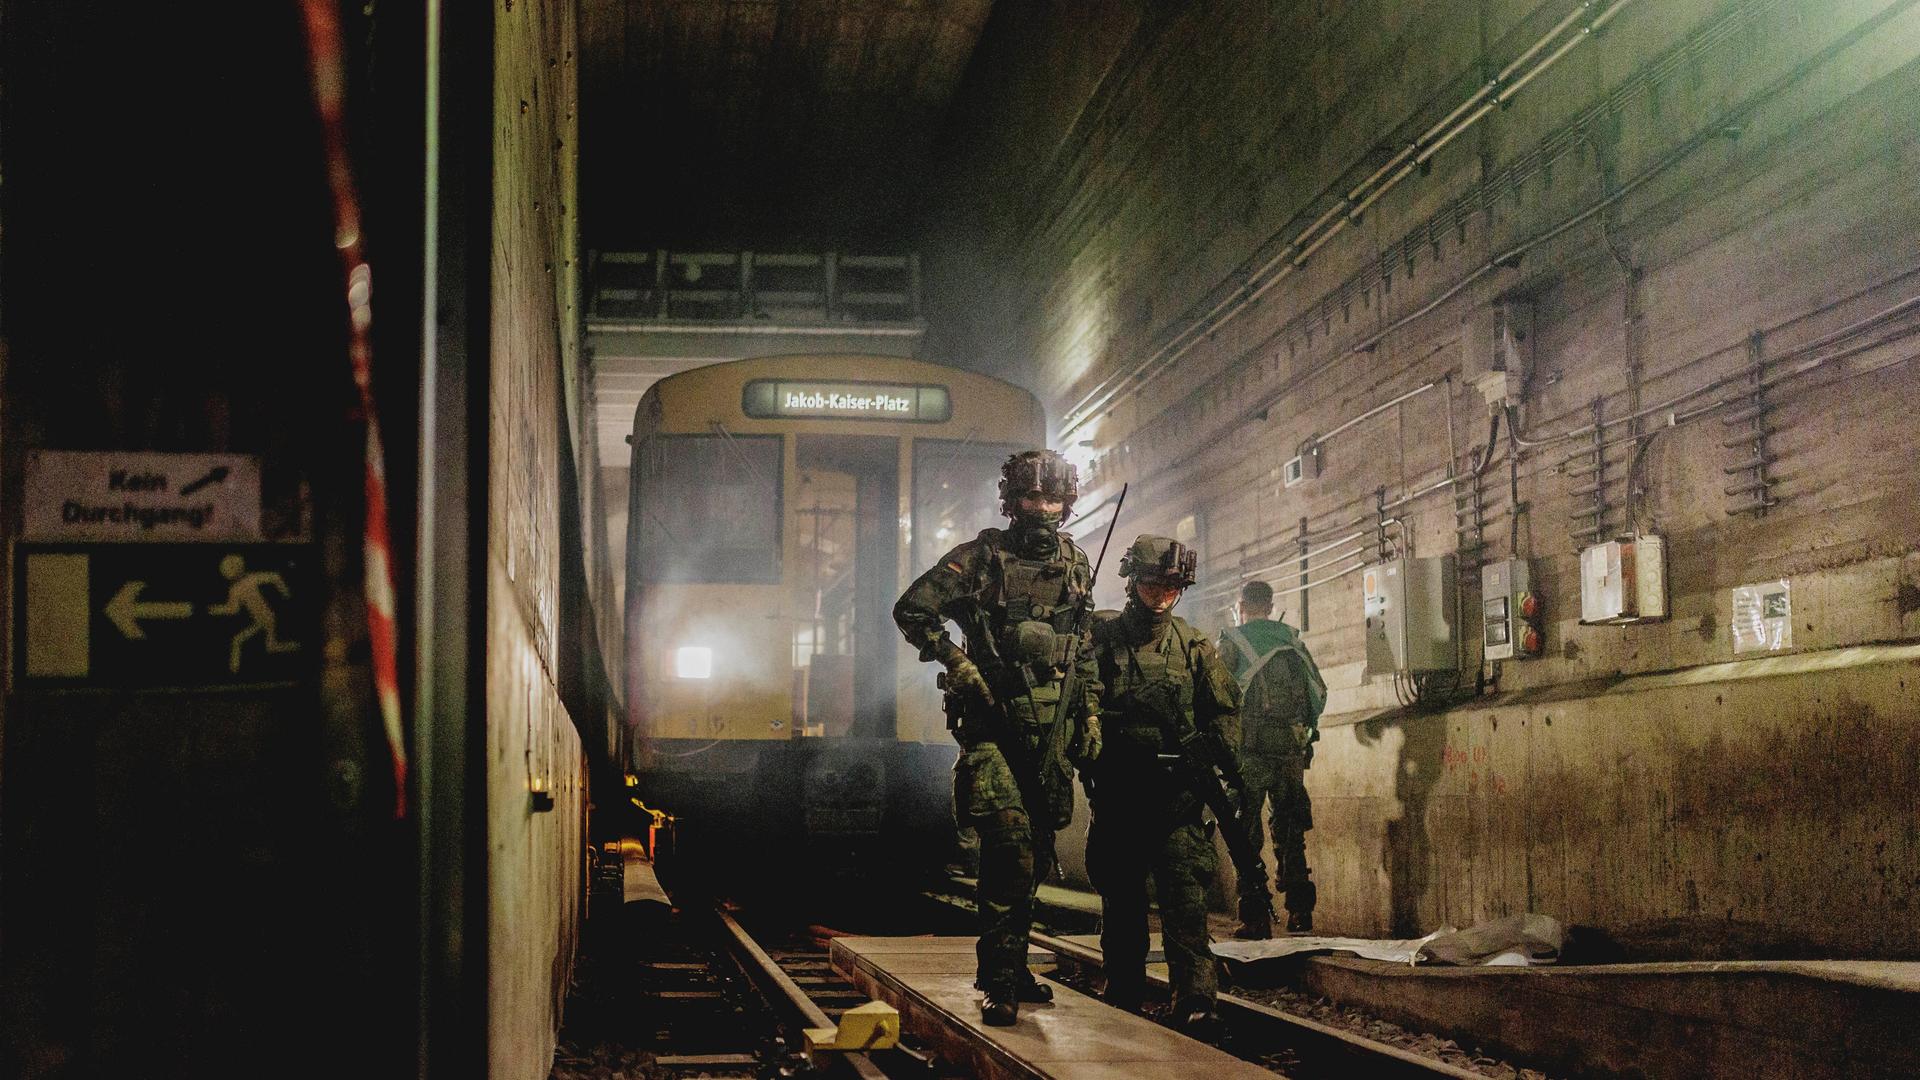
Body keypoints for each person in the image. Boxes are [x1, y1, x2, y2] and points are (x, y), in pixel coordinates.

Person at [893, 449, 1102, 1026]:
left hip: (1050, 729)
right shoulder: (980, 558)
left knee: (1034, 854)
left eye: (1053, 499)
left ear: (1067, 503)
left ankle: (1006, 965)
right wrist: (956, 663)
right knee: (1009, 848)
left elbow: (1080, 649)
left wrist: (1087, 715)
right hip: (993, 725)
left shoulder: (1076, 563)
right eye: (1033, 498)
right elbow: (912, 610)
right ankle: (1002, 982)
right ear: (1013, 501)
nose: (1043, 509)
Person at [1083, 535, 1242, 1038]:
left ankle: (1195, 999)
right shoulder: (1101, 641)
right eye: (1153, 585)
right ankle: (1124, 988)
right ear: (1133, 582)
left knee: (1186, 907)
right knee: (1123, 904)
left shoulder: (1194, 647)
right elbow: (1079, 704)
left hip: (1176, 801)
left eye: (1172, 588)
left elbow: (1224, 717)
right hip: (1119, 798)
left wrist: (1217, 767)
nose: (1162, 596)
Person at [1218, 580, 1327, 937]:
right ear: (1270, 604)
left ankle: (1255, 917)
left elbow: (1216, 696)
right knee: (1291, 830)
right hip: (1290, 753)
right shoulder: (1292, 641)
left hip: (1248, 754)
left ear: (1242, 605)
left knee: (1245, 835)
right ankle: (1300, 913)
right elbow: (1318, 695)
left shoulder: (1234, 642)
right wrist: (1303, 731)